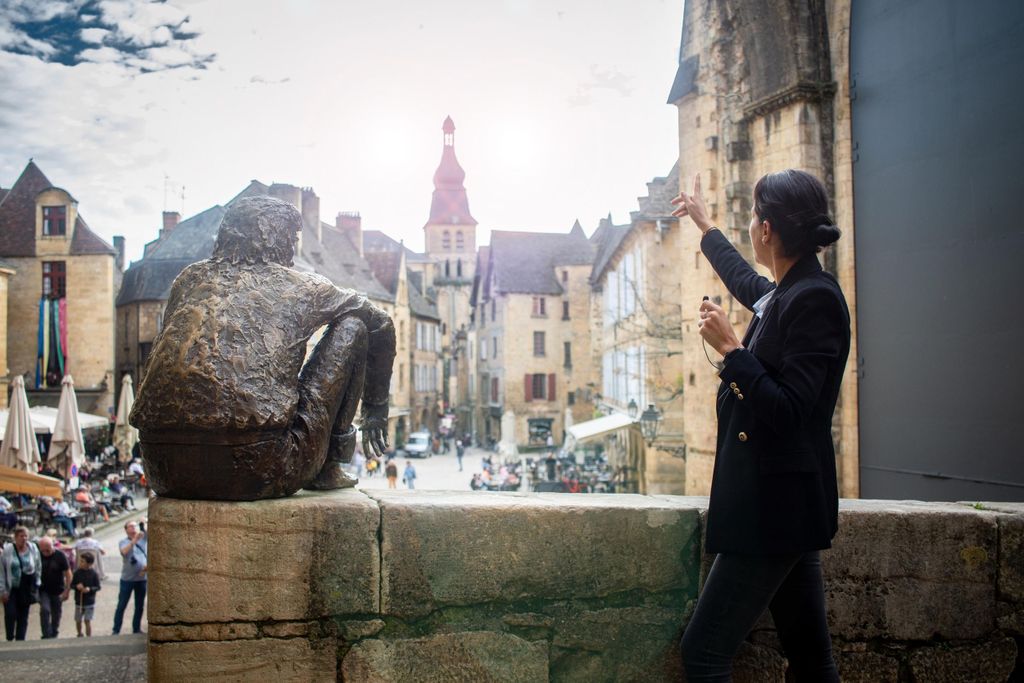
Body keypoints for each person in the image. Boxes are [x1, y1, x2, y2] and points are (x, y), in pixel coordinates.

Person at [672, 170, 849, 681]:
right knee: (812, 663)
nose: (750, 226)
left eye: (752, 217)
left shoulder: (814, 298)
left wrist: (732, 350)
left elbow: (793, 410)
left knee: (703, 655)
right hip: (785, 508)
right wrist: (706, 228)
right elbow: (747, 283)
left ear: (767, 230)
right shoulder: (790, 290)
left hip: (774, 510)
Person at [130, 197, 395, 500]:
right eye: (292, 239)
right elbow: (381, 324)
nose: (293, 253)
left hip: (163, 470)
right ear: (279, 238)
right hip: (257, 469)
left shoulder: (189, 279)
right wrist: (376, 409)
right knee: (354, 327)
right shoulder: (304, 287)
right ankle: (328, 468)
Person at [1, 526, 41, 641]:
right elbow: (2, 570)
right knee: (10, 613)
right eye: (21, 536)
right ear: (15, 537)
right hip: (12, 587)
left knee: (23, 615)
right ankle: (9, 636)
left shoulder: (32, 547)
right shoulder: (8, 550)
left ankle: (20, 639)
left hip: (27, 586)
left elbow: (38, 565)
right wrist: (2, 589)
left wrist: (37, 582)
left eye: (26, 536)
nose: (24, 538)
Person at [112, 520, 147, 635]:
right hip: (127, 579)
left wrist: (143, 524)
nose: (133, 528)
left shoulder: (144, 540)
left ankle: (136, 628)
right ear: (126, 530)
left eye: (135, 526)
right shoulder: (123, 542)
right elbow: (124, 552)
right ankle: (116, 629)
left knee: (139, 605)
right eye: (130, 526)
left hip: (142, 579)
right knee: (122, 604)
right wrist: (134, 540)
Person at [37, 535, 71, 639]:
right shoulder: (38, 555)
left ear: (52, 546)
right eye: (43, 551)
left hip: (57, 589)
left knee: (56, 613)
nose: (45, 553)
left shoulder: (60, 555)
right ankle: (46, 634)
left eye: (48, 550)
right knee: (45, 610)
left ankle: (54, 631)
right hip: (43, 590)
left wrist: (67, 590)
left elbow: (68, 574)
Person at [72, 551, 101, 637]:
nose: (80, 563)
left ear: (89, 563)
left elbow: (98, 587)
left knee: (87, 620)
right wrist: (77, 586)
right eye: (80, 561)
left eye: (82, 561)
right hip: (79, 601)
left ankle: (89, 636)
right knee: (78, 620)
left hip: (89, 601)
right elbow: (72, 585)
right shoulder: (77, 573)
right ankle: (79, 633)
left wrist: (90, 589)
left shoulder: (94, 574)